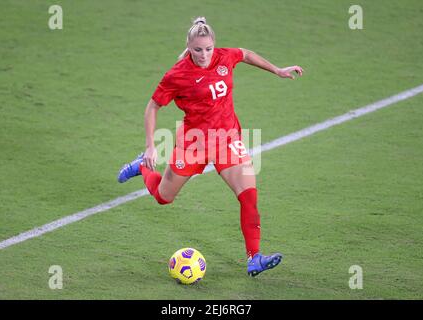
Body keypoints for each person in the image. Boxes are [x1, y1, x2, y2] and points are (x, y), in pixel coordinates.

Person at [118, 17, 303, 277]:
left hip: (227, 140)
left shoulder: (224, 57)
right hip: (193, 143)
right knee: (163, 197)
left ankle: (254, 258)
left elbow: (246, 54)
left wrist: (277, 70)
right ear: (188, 48)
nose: (204, 55)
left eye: (208, 48)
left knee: (248, 197)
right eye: (197, 50)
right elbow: (153, 106)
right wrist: (150, 148)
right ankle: (141, 167)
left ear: (214, 45)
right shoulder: (177, 75)